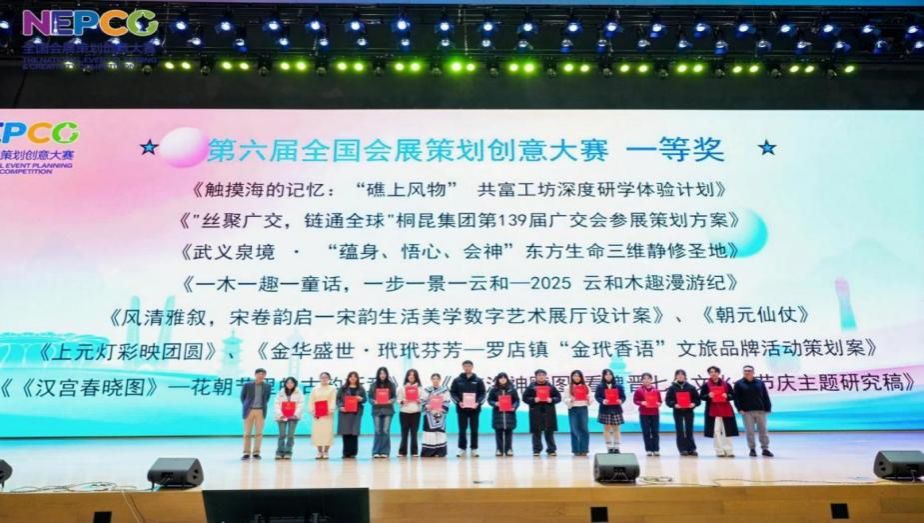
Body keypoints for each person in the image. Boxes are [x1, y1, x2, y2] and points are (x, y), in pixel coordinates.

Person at [734, 365, 774, 458]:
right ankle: (752, 449)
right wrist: (739, 409)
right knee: (750, 431)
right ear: (743, 372)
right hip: (746, 412)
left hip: (761, 410)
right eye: (745, 371)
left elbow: (765, 396)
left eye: (749, 371)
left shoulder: (760, 383)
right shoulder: (738, 384)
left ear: (753, 372)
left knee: (763, 431)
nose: (747, 372)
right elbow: (736, 398)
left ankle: (765, 449)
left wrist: (768, 408)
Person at [450, 360, 486, 458]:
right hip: (462, 409)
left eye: (469, 366)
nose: (467, 368)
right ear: (463, 367)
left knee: (474, 430)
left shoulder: (478, 380)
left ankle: (474, 448)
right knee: (462, 430)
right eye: (465, 366)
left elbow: (483, 393)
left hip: (475, 410)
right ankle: (462, 448)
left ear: (472, 367)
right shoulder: (457, 380)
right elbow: (452, 393)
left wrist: (478, 402)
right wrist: (459, 402)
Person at [700, 365, 739, 457]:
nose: (713, 373)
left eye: (715, 372)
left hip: (726, 409)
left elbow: (733, 395)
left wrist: (727, 396)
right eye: (711, 372)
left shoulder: (726, 384)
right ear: (709, 374)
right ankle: (719, 451)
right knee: (716, 431)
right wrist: (708, 396)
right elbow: (701, 396)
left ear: (718, 373)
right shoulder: (706, 385)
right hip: (712, 410)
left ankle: (729, 450)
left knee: (727, 430)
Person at [523, 369, 562, 456]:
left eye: (543, 375)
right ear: (536, 376)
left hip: (548, 412)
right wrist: (533, 399)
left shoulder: (551, 387)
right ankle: (536, 450)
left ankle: (551, 450)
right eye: (539, 375)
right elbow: (525, 398)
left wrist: (552, 399)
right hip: (536, 412)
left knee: (549, 432)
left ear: (545, 376)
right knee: (536, 432)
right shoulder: (531, 387)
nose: (541, 377)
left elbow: (558, 397)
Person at [664, 369, 701, 456]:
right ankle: (682, 449)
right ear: (675, 376)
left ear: (685, 376)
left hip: (689, 411)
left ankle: (691, 449)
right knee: (680, 430)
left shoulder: (691, 387)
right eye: (678, 374)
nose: (680, 376)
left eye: (682, 374)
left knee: (689, 430)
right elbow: (668, 400)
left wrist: (693, 404)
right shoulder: (672, 388)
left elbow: (697, 400)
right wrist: (674, 404)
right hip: (678, 412)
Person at [241, 368, 272, 460]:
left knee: (259, 433)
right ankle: (246, 453)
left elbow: (267, 398)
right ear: (255, 375)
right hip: (249, 410)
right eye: (259, 374)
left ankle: (256, 453)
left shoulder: (267, 386)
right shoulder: (247, 385)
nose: (261, 376)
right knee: (247, 433)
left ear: (265, 376)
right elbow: (242, 397)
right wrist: (247, 406)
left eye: (263, 374)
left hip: (260, 411)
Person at [487, 372, 519, 457]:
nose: (503, 379)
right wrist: (495, 403)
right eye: (501, 378)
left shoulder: (512, 389)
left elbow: (517, 400)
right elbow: (489, 400)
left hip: (509, 414)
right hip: (498, 414)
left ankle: (509, 449)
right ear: (498, 379)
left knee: (509, 433)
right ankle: (499, 449)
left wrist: (514, 407)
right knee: (498, 433)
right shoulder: (494, 390)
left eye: (504, 378)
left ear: (507, 379)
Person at [594, 369, 626, 454]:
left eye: (610, 374)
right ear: (603, 376)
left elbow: (623, 397)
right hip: (605, 409)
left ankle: (616, 446)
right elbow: (597, 396)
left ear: (612, 375)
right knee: (606, 428)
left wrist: (621, 400)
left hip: (616, 409)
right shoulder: (600, 386)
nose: (608, 376)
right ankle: (609, 447)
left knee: (616, 428)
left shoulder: (619, 386)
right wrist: (602, 401)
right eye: (606, 374)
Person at [336, 371, 367, 459]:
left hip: (356, 413)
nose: (353, 378)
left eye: (355, 376)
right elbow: (338, 399)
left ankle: (353, 452)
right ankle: (346, 453)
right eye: (351, 376)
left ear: (357, 378)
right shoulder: (343, 388)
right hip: (345, 412)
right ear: (348, 378)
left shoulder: (361, 388)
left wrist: (361, 399)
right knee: (346, 433)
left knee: (354, 433)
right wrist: (340, 406)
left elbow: (365, 399)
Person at [420, 373, 451, 458]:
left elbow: (447, 401)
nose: (435, 380)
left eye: (437, 379)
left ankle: (440, 452)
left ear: (440, 380)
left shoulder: (444, 390)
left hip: (440, 413)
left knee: (440, 432)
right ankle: (428, 452)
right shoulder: (427, 390)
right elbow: (422, 401)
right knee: (429, 433)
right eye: (433, 379)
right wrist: (427, 406)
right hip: (429, 414)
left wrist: (441, 409)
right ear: (431, 380)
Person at [369, 366, 397, 458]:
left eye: (384, 373)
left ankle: (385, 451)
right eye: (381, 373)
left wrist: (391, 401)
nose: (382, 375)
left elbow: (394, 397)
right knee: (377, 431)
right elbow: (369, 397)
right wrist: (373, 401)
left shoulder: (391, 385)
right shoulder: (373, 385)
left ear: (387, 374)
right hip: (376, 410)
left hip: (388, 410)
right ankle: (376, 451)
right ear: (378, 375)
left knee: (385, 431)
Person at [273, 376, 303, 460]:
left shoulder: (299, 393)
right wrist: (280, 414)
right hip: (281, 416)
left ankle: (288, 452)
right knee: (282, 435)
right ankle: (279, 452)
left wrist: (295, 414)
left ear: (295, 384)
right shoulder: (281, 392)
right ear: (285, 384)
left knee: (290, 435)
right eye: (288, 382)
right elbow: (276, 404)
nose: (289, 384)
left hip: (293, 417)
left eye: (291, 383)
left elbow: (301, 404)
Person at [307, 372, 336, 460]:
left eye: (326, 377)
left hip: (328, 414)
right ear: (319, 378)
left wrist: (330, 410)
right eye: (322, 377)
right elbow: (311, 401)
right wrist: (313, 411)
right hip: (317, 415)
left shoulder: (332, 388)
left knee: (327, 433)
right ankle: (319, 451)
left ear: (329, 378)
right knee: (318, 433)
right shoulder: (315, 389)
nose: (324, 379)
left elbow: (333, 400)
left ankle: (326, 451)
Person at [633, 372, 662, 456]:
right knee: (646, 432)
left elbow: (660, 401)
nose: (646, 380)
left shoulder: (656, 391)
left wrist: (659, 403)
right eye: (644, 379)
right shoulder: (639, 390)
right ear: (642, 380)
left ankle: (656, 449)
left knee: (655, 431)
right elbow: (635, 401)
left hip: (654, 413)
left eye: (648, 378)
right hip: (644, 413)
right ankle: (648, 449)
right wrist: (642, 402)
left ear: (651, 380)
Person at [563, 370, 591, 456]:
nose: (576, 377)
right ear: (572, 377)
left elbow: (591, 397)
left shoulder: (586, 387)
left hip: (583, 408)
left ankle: (584, 449)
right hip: (573, 409)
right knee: (574, 429)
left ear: (581, 377)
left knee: (584, 429)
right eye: (574, 376)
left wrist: (588, 399)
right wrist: (570, 400)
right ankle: (576, 450)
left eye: (578, 376)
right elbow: (564, 399)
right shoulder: (568, 387)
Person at [396, 368, 423, 457]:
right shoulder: (402, 388)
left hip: (416, 412)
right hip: (404, 412)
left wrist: (419, 400)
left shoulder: (420, 388)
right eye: (410, 375)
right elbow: (398, 400)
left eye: (413, 375)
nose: (411, 376)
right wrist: (402, 401)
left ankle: (414, 451)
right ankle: (402, 451)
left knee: (414, 433)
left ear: (416, 377)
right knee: (404, 433)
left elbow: (423, 399)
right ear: (407, 376)